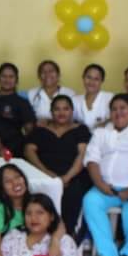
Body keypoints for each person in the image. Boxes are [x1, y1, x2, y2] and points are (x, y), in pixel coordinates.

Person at [81, 94, 128, 256]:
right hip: (106, 187)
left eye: (123, 108)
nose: (118, 113)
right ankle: (108, 253)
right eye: (114, 109)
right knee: (90, 201)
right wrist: (101, 185)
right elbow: (92, 160)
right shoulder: (101, 132)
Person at [24, 95, 91, 239]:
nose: (61, 113)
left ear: (72, 111)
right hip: (44, 175)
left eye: (66, 109)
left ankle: (67, 236)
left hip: (73, 177)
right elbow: (29, 151)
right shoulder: (40, 130)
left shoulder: (81, 130)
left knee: (73, 193)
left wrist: (66, 178)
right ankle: (40, 235)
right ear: (51, 111)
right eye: (57, 109)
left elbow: (83, 155)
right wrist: (47, 173)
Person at [0, 63, 36, 157]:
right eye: (4, 76)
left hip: (12, 150)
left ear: (16, 80)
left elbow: (29, 130)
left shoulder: (22, 103)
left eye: (11, 77)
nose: (7, 80)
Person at [72, 64, 113, 131]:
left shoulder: (110, 98)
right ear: (83, 78)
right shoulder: (75, 100)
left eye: (96, 79)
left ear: (102, 81)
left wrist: (106, 122)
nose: (91, 82)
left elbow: (117, 118)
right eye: (88, 77)